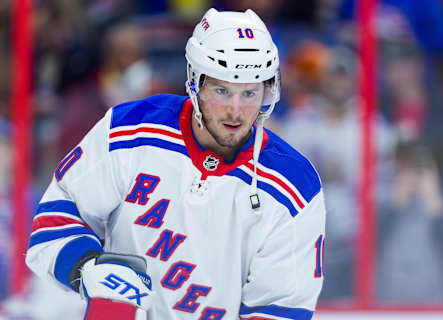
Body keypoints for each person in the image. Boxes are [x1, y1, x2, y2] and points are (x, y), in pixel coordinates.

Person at [25, 8, 326, 320]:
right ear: (195, 83)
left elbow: (281, 309)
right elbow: (54, 221)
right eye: (222, 90)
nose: (236, 112)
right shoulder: (130, 129)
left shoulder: (294, 186)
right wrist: (87, 268)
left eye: (249, 93)